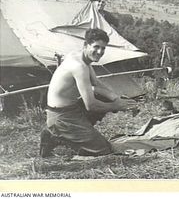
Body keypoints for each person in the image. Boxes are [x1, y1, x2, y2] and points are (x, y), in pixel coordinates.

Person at [40, 28, 136, 157]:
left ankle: (78, 131)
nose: (100, 52)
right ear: (85, 45)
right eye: (96, 47)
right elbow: (90, 105)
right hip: (61, 117)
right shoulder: (79, 67)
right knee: (104, 150)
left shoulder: (81, 58)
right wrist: (116, 106)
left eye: (103, 48)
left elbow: (96, 84)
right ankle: (55, 135)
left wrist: (117, 99)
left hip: (71, 109)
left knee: (103, 96)